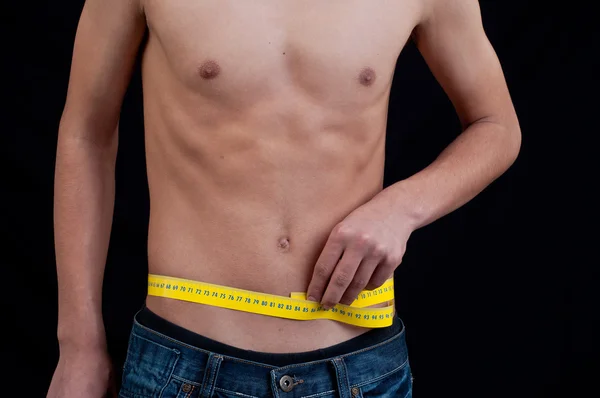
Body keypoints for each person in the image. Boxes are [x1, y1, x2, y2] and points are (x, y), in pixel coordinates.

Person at [47, 0, 521, 397]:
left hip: (361, 373)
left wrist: (403, 208)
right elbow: (85, 135)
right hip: (184, 369)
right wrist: (79, 344)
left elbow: (497, 126)